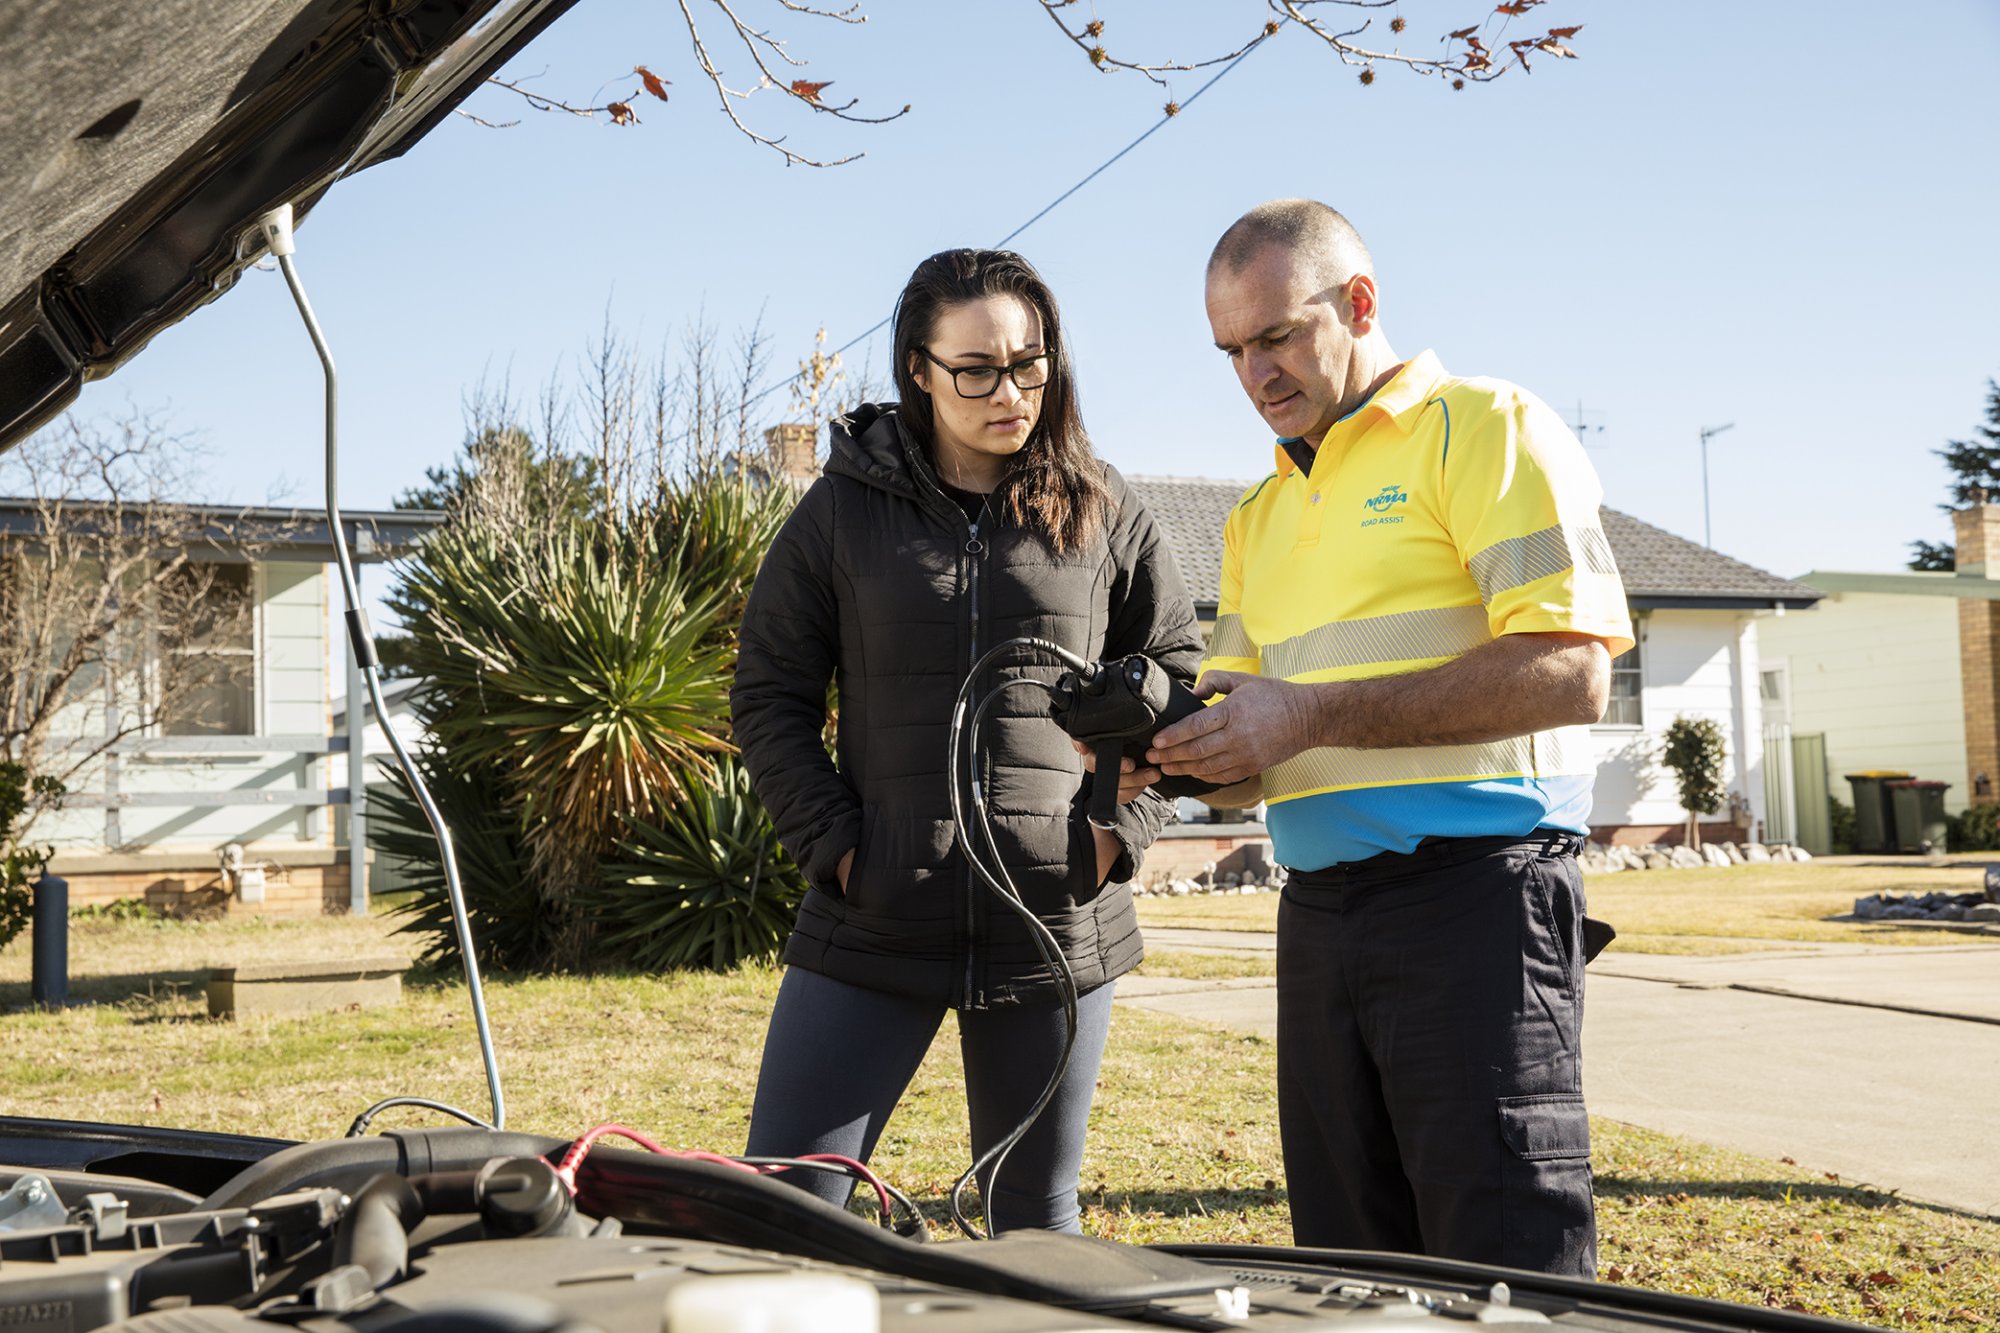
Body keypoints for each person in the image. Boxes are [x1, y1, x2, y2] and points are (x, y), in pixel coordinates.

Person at [1139, 200, 1633, 1276]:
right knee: (1348, 1272)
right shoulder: (1255, 516)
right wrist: (1189, 757)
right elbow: (1260, 755)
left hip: (1477, 904)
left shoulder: (1485, 424)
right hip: (1316, 916)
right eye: (1230, 350)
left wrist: (1305, 711)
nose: (1254, 374)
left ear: (1359, 303)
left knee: (1502, 1266)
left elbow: (1572, 668)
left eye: (1275, 336)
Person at [730, 248, 1203, 1234]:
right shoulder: (840, 512)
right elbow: (767, 695)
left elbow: (1174, 683)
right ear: (917, 368)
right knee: (784, 1212)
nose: (1010, 391)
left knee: (1034, 1220)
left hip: (1052, 919)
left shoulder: (1101, 505)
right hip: (876, 916)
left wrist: (1113, 831)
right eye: (975, 369)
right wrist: (838, 846)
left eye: (1029, 363)